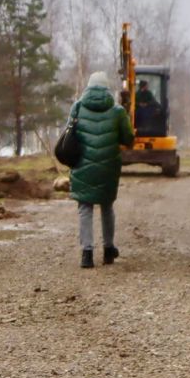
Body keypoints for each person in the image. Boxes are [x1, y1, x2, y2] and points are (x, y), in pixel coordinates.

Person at [69, 72, 135, 269]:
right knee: (107, 206)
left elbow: (69, 134)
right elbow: (128, 139)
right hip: (108, 166)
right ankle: (108, 250)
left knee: (85, 208)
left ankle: (87, 254)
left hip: (82, 164)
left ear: (88, 87)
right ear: (107, 89)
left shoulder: (78, 106)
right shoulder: (117, 111)